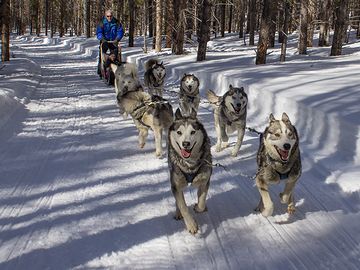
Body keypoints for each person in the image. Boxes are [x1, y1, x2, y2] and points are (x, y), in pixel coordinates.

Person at [96, 10, 124, 76]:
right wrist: (102, 39)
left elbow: (120, 31)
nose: (109, 17)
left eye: (110, 16)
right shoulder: (102, 22)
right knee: (102, 54)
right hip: (105, 41)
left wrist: (117, 38)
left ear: (112, 16)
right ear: (105, 16)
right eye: (108, 16)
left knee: (115, 54)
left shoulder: (116, 22)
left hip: (113, 41)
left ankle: (115, 68)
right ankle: (101, 69)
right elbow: (99, 32)